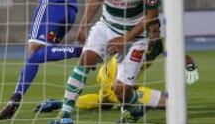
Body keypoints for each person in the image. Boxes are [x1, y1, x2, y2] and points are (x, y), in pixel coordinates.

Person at [50, 0, 161, 124]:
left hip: (135, 36)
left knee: (120, 91)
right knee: (86, 58)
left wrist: (125, 39)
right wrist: (83, 24)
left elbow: (152, 16)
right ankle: (65, 112)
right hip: (107, 25)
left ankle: (135, 107)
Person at [34, 19, 199, 113]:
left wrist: (190, 66)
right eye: (151, 32)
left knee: (104, 104)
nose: (154, 35)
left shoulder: (160, 43)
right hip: (111, 76)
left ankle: (57, 103)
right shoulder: (135, 39)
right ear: (145, 31)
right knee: (168, 103)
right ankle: (128, 110)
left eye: (156, 31)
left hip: (118, 79)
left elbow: (181, 56)